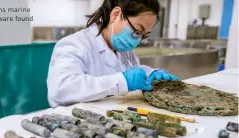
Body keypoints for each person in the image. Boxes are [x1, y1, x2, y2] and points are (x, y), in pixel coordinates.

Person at [47, 0, 178, 108]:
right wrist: (122, 81)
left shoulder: (125, 51)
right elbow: (61, 89)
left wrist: (152, 74)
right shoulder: (74, 44)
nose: (137, 41)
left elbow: (132, 71)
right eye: (137, 32)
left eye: (144, 36)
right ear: (115, 15)